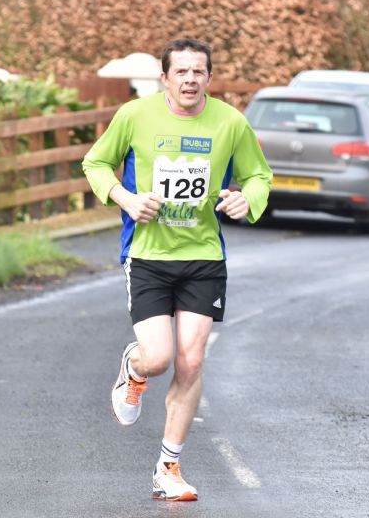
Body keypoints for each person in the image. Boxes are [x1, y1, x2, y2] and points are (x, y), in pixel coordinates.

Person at [82, 38, 272, 501]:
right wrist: (126, 199)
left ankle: (168, 467)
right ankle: (134, 367)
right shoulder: (135, 115)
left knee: (192, 360)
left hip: (203, 256)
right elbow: (96, 162)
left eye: (198, 71)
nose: (190, 79)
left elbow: (258, 175)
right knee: (159, 358)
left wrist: (247, 199)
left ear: (209, 77)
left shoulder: (230, 122)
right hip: (148, 255)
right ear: (164, 78)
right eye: (181, 72)